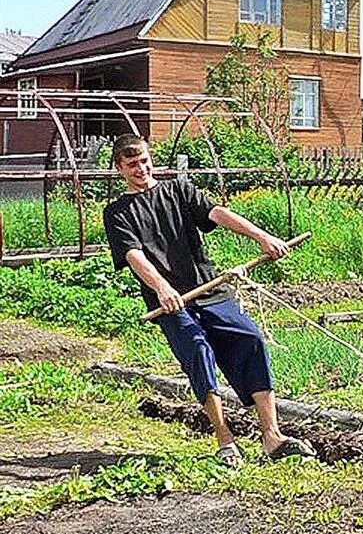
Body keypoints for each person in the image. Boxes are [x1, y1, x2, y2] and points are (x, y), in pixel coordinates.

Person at [102, 133, 316, 468]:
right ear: (120, 169)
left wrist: (262, 237)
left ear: (151, 159)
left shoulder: (178, 190)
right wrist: (161, 287)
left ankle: (272, 437)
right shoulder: (117, 212)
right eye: (132, 165)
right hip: (172, 302)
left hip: (209, 288)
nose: (141, 169)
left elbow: (216, 213)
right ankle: (224, 439)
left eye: (144, 161)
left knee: (251, 339)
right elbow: (133, 255)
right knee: (198, 351)